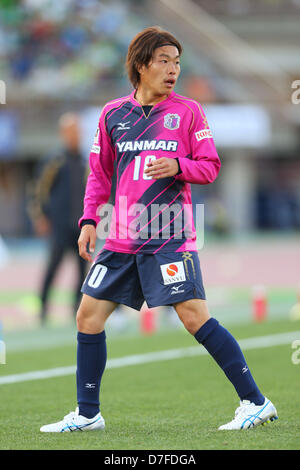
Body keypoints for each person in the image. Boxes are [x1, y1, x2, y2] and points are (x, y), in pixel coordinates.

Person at [40, 26, 278, 432]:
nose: (173, 70)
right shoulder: (113, 114)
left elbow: (210, 165)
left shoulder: (187, 112)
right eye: (164, 61)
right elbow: (98, 175)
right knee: (88, 315)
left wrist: (178, 166)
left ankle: (256, 402)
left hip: (168, 235)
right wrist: (88, 220)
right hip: (121, 235)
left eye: (177, 62)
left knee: (193, 317)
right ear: (141, 65)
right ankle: (88, 413)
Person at [29, 112, 87, 324]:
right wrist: (39, 216)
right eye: (71, 131)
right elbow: (38, 189)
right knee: (53, 267)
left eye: (78, 131)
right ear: (63, 133)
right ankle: (43, 307)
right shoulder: (54, 160)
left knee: (83, 270)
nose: (75, 135)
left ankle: (75, 308)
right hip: (60, 224)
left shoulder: (85, 160)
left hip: (81, 225)